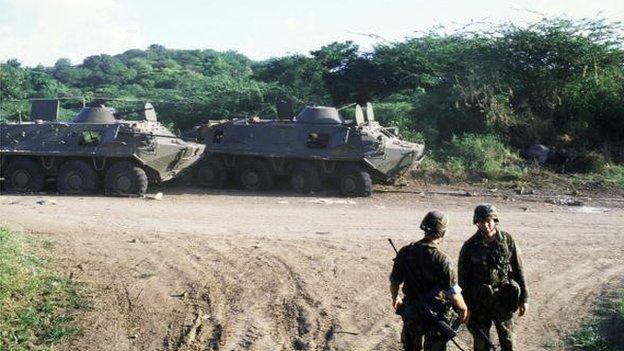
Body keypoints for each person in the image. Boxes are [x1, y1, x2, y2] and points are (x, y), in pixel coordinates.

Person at [390, 211, 469, 351]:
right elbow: (452, 292)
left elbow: (395, 281)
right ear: (442, 232)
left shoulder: (405, 252)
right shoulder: (441, 259)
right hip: (435, 314)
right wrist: (463, 308)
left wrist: (395, 297)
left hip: (412, 311)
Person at [458, 204, 529, 351]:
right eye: (481, 221)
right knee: (481, 343)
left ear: (495, 220)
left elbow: (518, 270)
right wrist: (465, 307)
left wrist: (524, 299)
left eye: (489, 220)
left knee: (508, 341)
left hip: (502, 299)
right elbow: (463, 279)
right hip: (479, 302)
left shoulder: (507, 241)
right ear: (476, 222)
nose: (485, 224)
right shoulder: (469, 246)